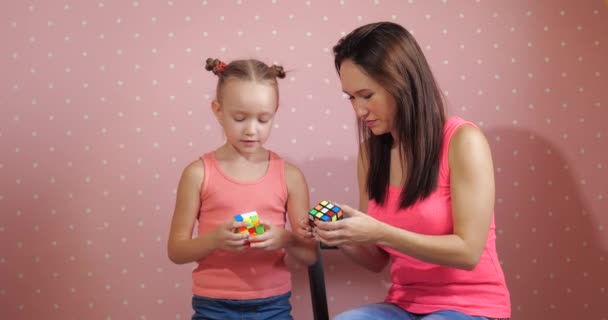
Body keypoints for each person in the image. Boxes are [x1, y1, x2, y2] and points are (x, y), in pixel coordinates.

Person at [303, 22, 511, 319]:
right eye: (351, 97)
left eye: (366, 95)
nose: (359, 111)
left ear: (401, 82)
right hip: (405, 304)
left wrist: (382, 231)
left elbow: (468, 253)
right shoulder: (371, 154)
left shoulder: (463, 141)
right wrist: (340, 234)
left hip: (472, 306)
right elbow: (376, 260)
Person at [168, 58, 318, 320]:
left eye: (263, 119)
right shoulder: (198, 174)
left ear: (275, 112)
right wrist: (215, 239)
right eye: (239, 118)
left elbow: (310, 254)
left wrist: (284, 238)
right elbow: (176, 250)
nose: (251, 130)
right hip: (212, 306)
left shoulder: (290, 176)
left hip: (273, 306)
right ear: (217, 110)